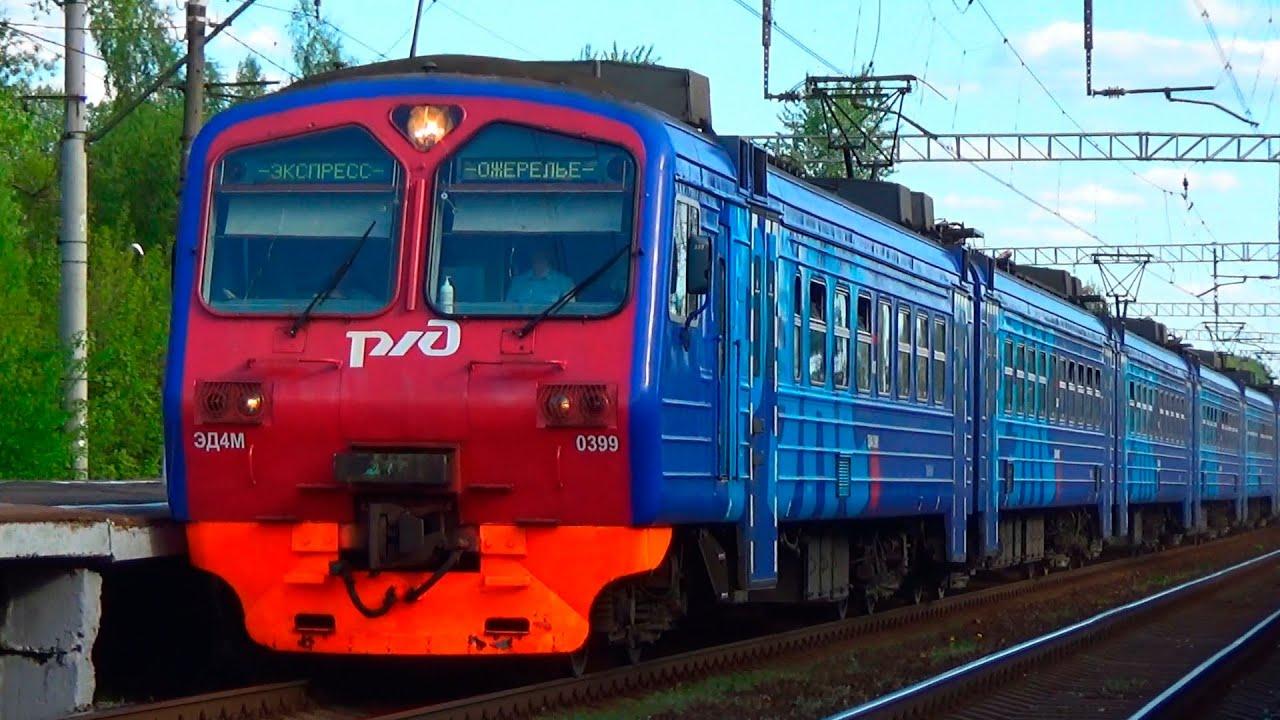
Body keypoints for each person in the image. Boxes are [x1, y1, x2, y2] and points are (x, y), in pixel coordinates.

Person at [507, 248, 574, 305]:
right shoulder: (518, 282)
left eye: (542, 257)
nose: (538, 260)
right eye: (536, 256)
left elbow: (570, 311)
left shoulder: (565, 283)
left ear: (549, 258)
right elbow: (508, 308)